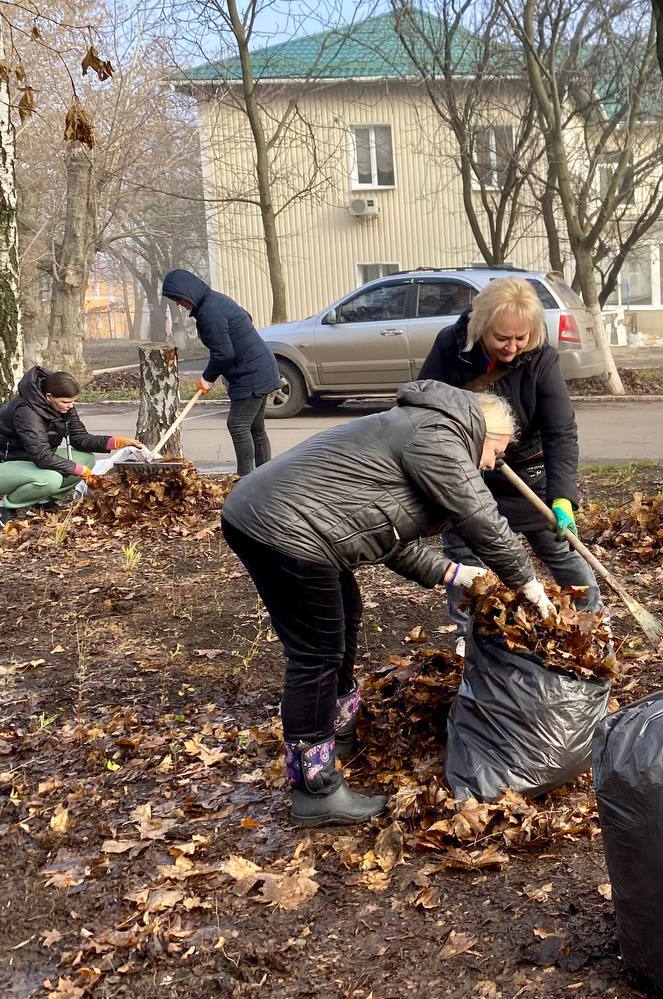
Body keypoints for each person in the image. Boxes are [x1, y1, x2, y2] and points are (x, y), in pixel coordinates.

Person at [220, 380, 558, 827]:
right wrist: (527, 580)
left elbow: (384, 535)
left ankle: (337, 730)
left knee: (344, 614)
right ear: (483, 430)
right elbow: (480, 517)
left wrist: (455, 572)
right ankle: (314, 787)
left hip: (289, 523)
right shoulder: (439, 433)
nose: (496, 462)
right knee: (316, 652)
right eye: (498, 450)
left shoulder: (422, 432)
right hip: (283, 526)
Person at [418, 276, 599, 655]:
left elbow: (561, 432)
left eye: (522, 339)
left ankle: (593, 616)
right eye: (503, 338)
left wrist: (563, 498)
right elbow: (425, 409)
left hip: (527, 475)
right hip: (467, 470)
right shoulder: (450, 350)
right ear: (481, 326)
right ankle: (471, 634)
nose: (513, 348)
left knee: (558, 546)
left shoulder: (541, 358)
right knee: (465, 553)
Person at [161, 269, 281, 477]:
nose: (179, 304)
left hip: (250, 374)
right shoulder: (216, 300)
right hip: (262, 366)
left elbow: (224, 354)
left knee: (237, 425)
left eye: (178, 298)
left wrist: (207, 378)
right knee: (255, 427)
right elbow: (246, 316)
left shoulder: (209, 312)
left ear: (188, 291)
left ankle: (246, 479)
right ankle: (264, 478)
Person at [0, 367, 141, 518]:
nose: (71, 405)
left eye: (73, 401)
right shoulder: (26, 412)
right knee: (51, 480)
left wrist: (116, 442)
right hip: (6, 463)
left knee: (86, 459)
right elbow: (42, 456)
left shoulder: (63, 407)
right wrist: (79, 470)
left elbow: (79, 438)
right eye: (66, 402)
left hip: (29, 460)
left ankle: (43, 501)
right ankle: (6, 507)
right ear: (49, 397)